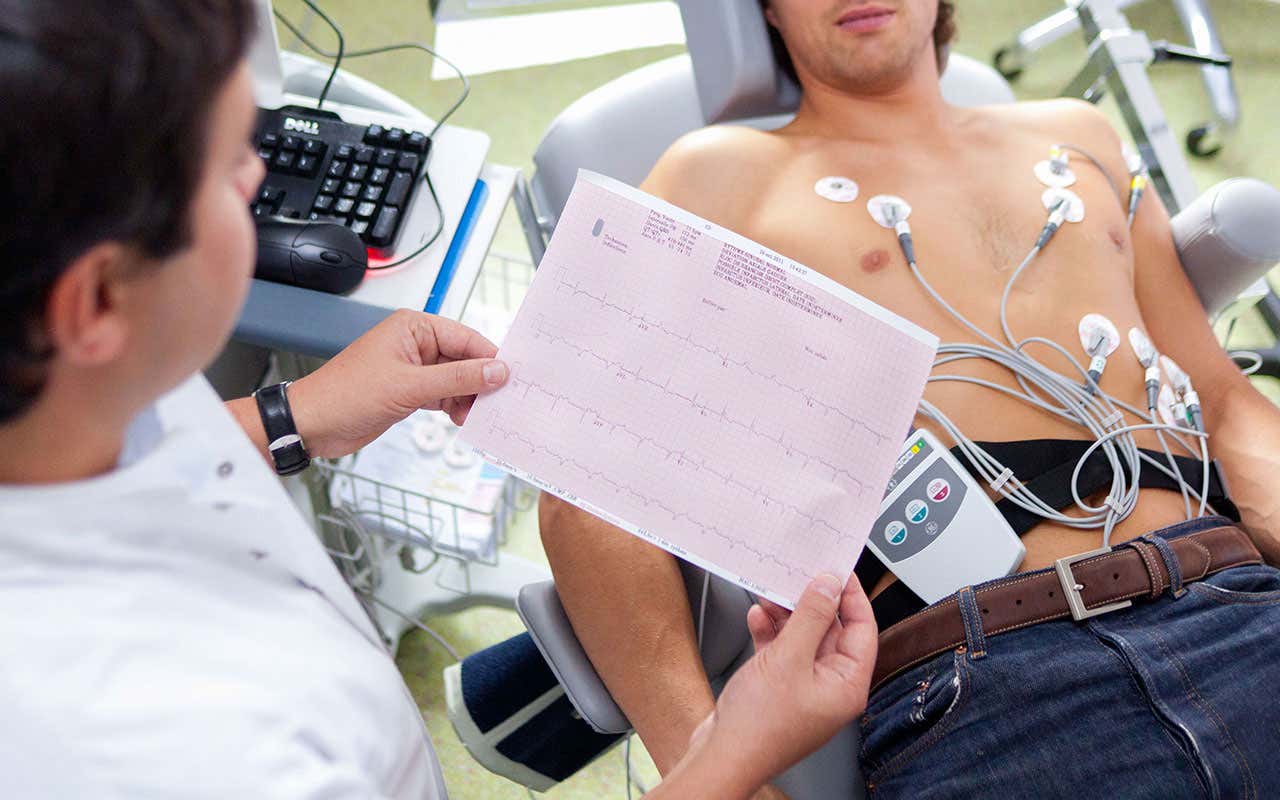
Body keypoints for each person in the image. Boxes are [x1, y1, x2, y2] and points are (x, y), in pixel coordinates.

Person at [0, 1, 878, 797]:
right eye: (234, 164)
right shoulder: (201, 752)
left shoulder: (70, 408)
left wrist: (293, 417)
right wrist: (729, 758)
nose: (262, 182)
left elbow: (168, 444)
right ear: (98, 303)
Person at [540, 1, 1280, 797]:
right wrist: (714, 767)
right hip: (986, 685)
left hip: (1233, 601)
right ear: (768, 12)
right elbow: (579, 480)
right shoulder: (716, 173)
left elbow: (1225, 401)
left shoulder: (1078, 136)